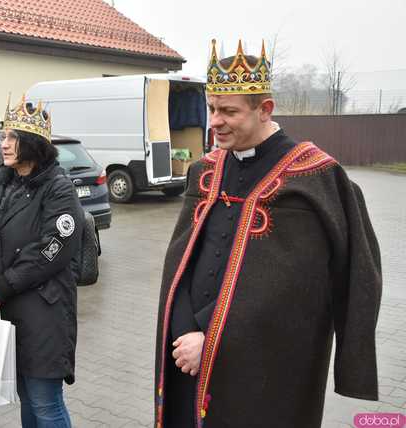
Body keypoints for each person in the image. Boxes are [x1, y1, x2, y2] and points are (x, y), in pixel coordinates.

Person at [154, 40, 382, 428]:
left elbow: (297, 289)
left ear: (265, 110)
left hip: (261, 372)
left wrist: (211, 339)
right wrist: (184, 330)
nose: (214, 122)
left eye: (228, 111)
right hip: (187, 357)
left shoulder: (314, 179)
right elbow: (181, 264)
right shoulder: (204, 170)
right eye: (211, 109)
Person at [0, 96, 83, 428]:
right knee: (27, 398)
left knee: (45, 401)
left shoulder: (58, 189)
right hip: (8, 308)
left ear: (33, 143)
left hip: (45, 309)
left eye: (13, 137)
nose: (4, 144)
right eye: (3, 136)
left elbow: (51, 250)